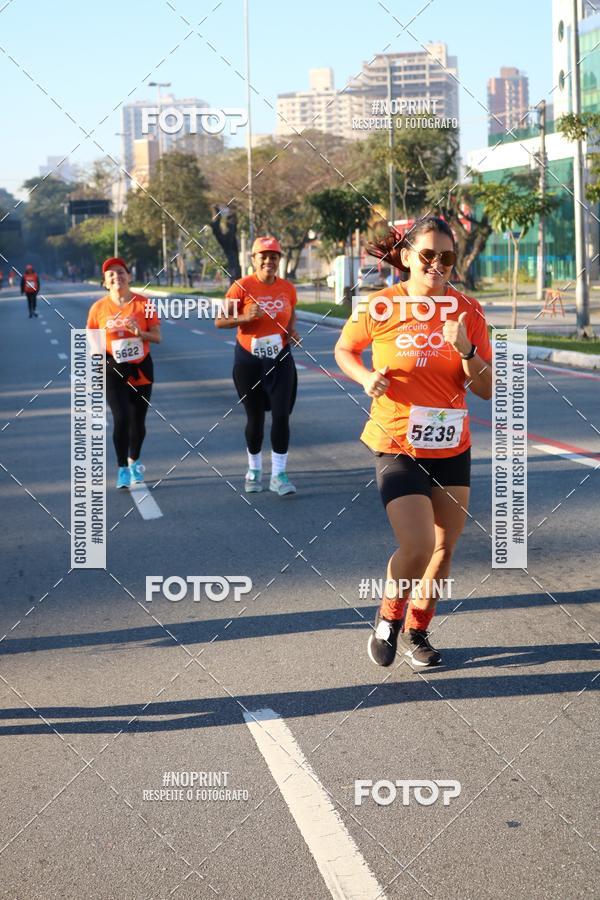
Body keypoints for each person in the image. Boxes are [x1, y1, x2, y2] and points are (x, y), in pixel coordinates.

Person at [334, 216, 492, 668]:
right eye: (427, 255)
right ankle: (388, 618)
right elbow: (345, 350)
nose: (437, 265)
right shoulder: (381, 306)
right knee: (419, 545)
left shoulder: (468, 311)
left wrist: (466, 349)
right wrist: (366, 377)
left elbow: (484, 388)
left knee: (444, 550)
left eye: (447, 257)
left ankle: (418, 630)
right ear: (406, 257)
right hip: (397, 440)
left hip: (451, 445)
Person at [215, 236, 300, 496]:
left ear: (279, 260)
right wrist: (244, 317)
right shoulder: (240, 287)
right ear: (253, 259)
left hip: (280, 358)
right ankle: (253, 469)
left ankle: (279, 474)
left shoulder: (288, 288)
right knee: (255, 417)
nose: (268, 261)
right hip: (248, 360)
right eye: (263, 256)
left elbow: (291, 313)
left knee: (282, 414)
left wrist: (292, 332)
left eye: (273, 256)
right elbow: (220, 321)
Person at [87, 257, 161, 489]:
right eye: (111, 275)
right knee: (122, 418)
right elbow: (91, 332)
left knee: (138, 422)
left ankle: (134, 461)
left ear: (129, 277)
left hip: (140, 367)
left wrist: (140, 333)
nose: (116, 277)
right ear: (105, 283)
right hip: (112, 368)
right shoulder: (98, 307)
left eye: (120, 272)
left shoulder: (143, 304)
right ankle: (122, 469)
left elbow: (157, 337)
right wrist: (95, 350)